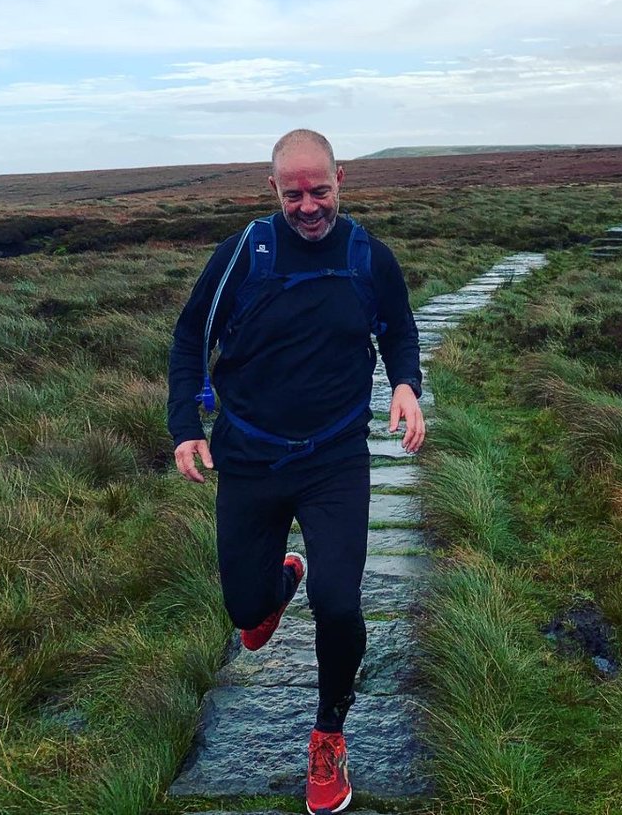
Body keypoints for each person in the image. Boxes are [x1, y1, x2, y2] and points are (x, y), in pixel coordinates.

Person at [167, 129, 425, 815]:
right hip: (250, 458)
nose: (309, 206)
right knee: (246, 612)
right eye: (293, 193)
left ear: (340, 178)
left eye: (320, 190)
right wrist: (185, 427)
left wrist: (405, 383)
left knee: (339, 603)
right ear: (273, 188)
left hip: (336, 458)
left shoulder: (369, 256)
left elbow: (398, 327)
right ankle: (279, 581)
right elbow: (191, 335)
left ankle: (329, 734)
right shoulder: (243, 255)